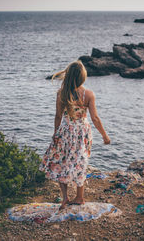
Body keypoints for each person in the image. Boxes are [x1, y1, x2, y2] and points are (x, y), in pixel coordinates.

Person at [39, 60, 110, 210]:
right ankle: (79, 197)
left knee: (61, 162)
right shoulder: (88, 94)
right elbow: (95, 118)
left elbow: (58, 116)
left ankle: (65, 198)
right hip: (81, 132)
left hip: (65, 131)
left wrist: (55, 133)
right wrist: (104, 135)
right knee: (80, 161)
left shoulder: (62, 93)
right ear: (82, 77)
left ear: (68, 75)